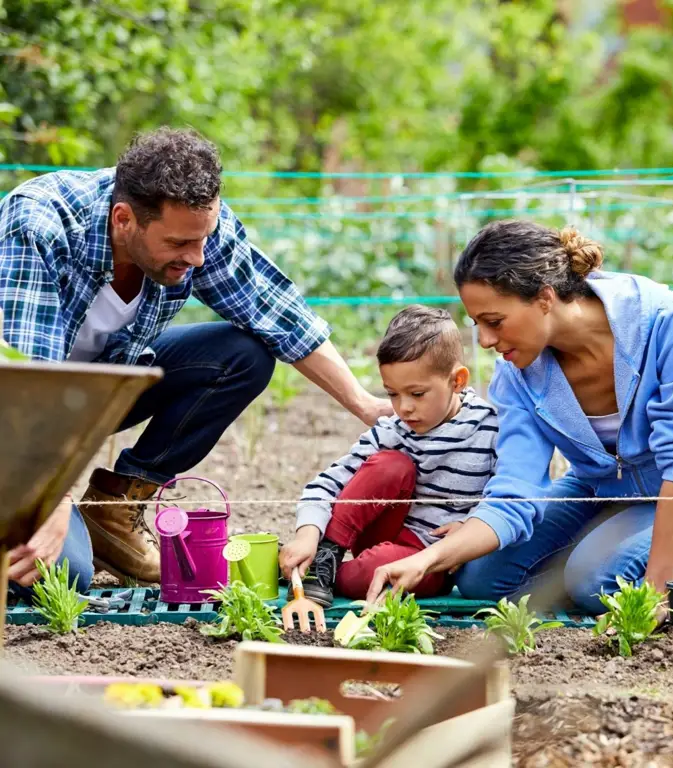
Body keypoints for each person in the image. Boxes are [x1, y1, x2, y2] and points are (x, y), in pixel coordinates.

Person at [0, 127, 391, 594]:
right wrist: (52, 500)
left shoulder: (195, 226)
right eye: (180, 244)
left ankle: (113, 512)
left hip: (91, 398)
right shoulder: (40, 223)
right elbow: (23, 384)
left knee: (242, 355)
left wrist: (367, 406)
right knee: (57, 575)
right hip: (17, 416)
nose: (199, 257)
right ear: (124, 220)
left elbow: (279, 315)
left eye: (202, 239)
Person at [364, 220, 673, 615]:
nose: (483, 341)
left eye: (494, 321)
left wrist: (656, 595)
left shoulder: (669, 323)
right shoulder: (518, 373)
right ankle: (602, 554)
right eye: (476, 323)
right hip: (601, 491)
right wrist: (429, 558)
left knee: (597, 581)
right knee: (480, 577)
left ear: (545, 298)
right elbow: (516, 489)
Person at [279, 305, 498, 606]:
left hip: (432, 559)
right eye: (392, 394)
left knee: (373, 571)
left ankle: (318, 572)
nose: (404, 407)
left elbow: (506, 496)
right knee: (391, 465)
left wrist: (471, 525)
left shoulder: (489, 428)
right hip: (381, 530)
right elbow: (327, 484)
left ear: (457, 381)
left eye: (417, 394)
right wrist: (308, 534)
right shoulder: (393, 430)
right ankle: (322, 558)